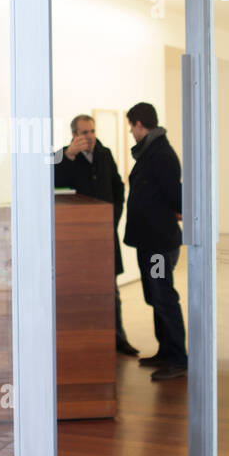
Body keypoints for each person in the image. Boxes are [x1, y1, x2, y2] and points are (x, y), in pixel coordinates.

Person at [54, 113, 138, 355]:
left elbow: (118, 189)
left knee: (110, 289)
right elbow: (54, 186)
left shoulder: (104, 153)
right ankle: (87, 340)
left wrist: (111, 219)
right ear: (74, 135)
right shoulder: (61, 156)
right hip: (77, 239)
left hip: (104, 234)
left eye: (92, 131)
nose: (89, 137)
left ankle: (118, 338)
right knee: (81, 290)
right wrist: (69, 156)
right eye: (84, 133)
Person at [124, 101, 188, 381]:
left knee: (163, 296)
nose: (130, 132)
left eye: (131, 127)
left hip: (159, 244)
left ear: (140, 124)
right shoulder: (151, 152)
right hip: (149, 242)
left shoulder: (161, 154)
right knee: (155, 295)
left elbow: (175, 196)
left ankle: (178, 358)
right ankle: (165, 350)